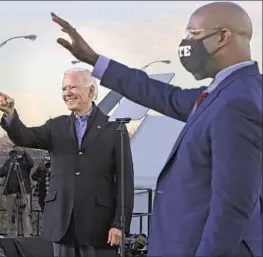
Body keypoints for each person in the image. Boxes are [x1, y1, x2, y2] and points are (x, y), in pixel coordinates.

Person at [50, 2, 262, 256]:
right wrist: (95, 61)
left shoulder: (237, 102)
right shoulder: (223, 92)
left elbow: (232, 206)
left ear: (223, 37)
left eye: (193, 35)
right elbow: (162, 95)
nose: (186, 43)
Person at [0, 67, 134, 257]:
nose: (67, 93)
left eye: (73, 87)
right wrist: (10, 114)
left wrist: (119, 223)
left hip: (99, 227)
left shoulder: (114, 128)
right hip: (62, 226)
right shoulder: (56, 126)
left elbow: (125, 181)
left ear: (90, 91)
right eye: (64, 88)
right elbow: (24, 137)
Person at [0, 146, 34, 237]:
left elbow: (31, 163)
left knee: (25, 214)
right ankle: (11, 235)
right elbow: (1, 172)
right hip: (11, 192)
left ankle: (27, 235)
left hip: (24, 191)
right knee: (11, 215)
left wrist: (24, 152)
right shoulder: (9, 162)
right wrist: (10, 162)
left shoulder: (24, 162)